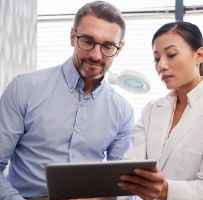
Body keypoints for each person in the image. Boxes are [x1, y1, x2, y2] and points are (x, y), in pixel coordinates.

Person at [0, 1, 134, 199]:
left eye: (107, 46)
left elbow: (125, 186)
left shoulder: (123, 111)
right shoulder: (24, 88)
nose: (96, 55)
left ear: (119, 48)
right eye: (88, 41)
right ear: (73, 37)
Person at [118, 21, 203, 200]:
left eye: (171, 54)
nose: (161, 65)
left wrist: (166, 191)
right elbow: (130, 172)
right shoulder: (152, 111)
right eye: (156, 58)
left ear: (199, 55)